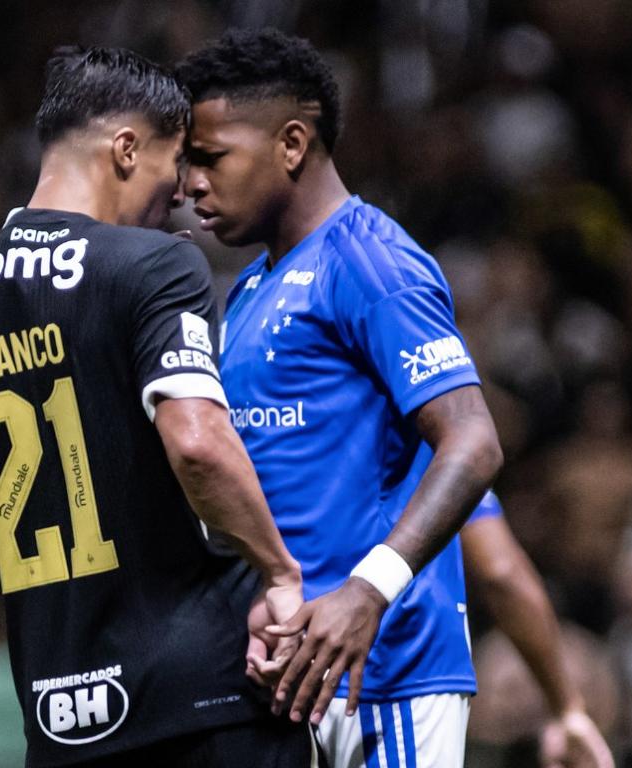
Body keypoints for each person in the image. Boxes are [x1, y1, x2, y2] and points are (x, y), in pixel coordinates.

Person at [0, 47, 313, 767]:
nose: (181, 193)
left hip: (60, 713)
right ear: (126, 149)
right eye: (174, 164)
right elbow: (196, 442)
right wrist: (280, 572)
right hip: (200, 700)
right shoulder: (150, 264)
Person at [177, 28, 503, 768]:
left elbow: (474, 442)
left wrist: (368, 591)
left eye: (211, 157)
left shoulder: (371, 260)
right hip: (290, 673)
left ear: (292, 143)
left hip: (387, 672)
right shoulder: (251, 288)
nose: (191, 184)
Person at [463, 492, 615, 768]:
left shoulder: (581, 649)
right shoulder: (495, 656)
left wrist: (567, 709)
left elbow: (611, 710)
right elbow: (501, 572)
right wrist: (566, 708)